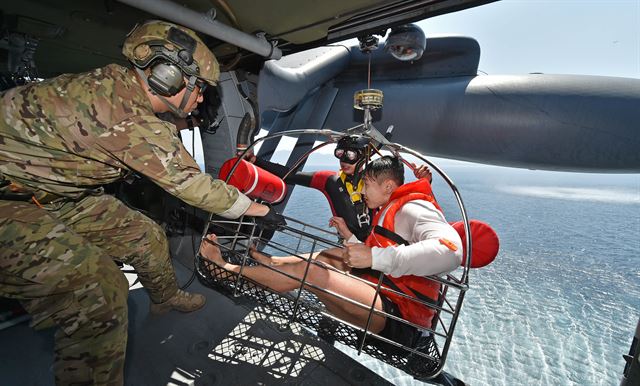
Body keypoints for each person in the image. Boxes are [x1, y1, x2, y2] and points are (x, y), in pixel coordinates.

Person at [0, 20, 283, 385]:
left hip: (53, 193)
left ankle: (164, 297)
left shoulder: (118, 86)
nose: (200, 99)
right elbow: (193, 186)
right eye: (199, 90)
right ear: (168, 78)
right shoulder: (126, 116)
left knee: (144, 234)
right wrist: (258, 210)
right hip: (10, 199)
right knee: (99, 291)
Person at [200, 156, 462, 347]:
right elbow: (385, 250)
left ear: (388, 187)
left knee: (313, 273)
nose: (361, 189)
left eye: (367, 183)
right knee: (330, 256)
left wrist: (373, 257)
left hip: (402, 321)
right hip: (387, 292)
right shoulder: (389, 208)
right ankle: (273, 263)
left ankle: (227, 272)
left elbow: (451, 252)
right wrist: (351, 240)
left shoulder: (413, 208)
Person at [251, 136, 432, 241]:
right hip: (349, 245)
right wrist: (256, 161)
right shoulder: (331, 181)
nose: (343, 161)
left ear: (363, 157)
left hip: (378, 248)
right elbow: (290, 174)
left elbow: (407, 197)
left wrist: (425, 181)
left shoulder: (378, 183)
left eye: (350, 156)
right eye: (340, 155)